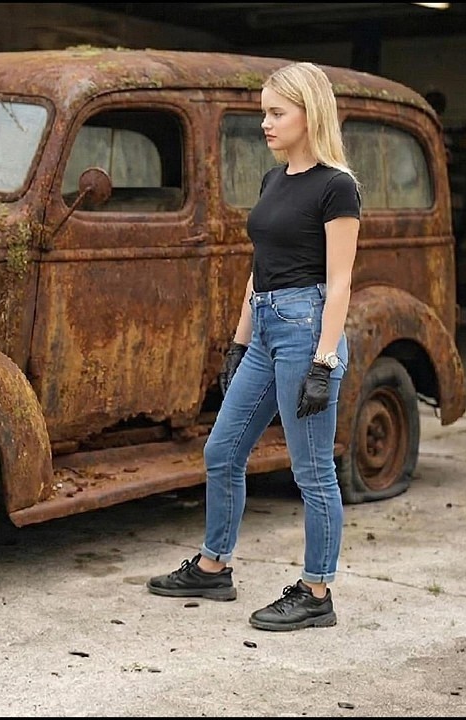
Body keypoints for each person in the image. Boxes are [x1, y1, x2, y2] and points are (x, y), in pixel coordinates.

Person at [146, 62, 361, 632]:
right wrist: (240, 343)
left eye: (275, 112)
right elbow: (258, 268)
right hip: (267, 326)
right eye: (263, 111)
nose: (264, 123)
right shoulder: (274, 181)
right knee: (222, 452)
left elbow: (339, 282)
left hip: (307, 329)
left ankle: (317, 592)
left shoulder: (337, 187)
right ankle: (214, 567)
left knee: (313, 471)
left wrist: (323, 360)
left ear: (308, 114)